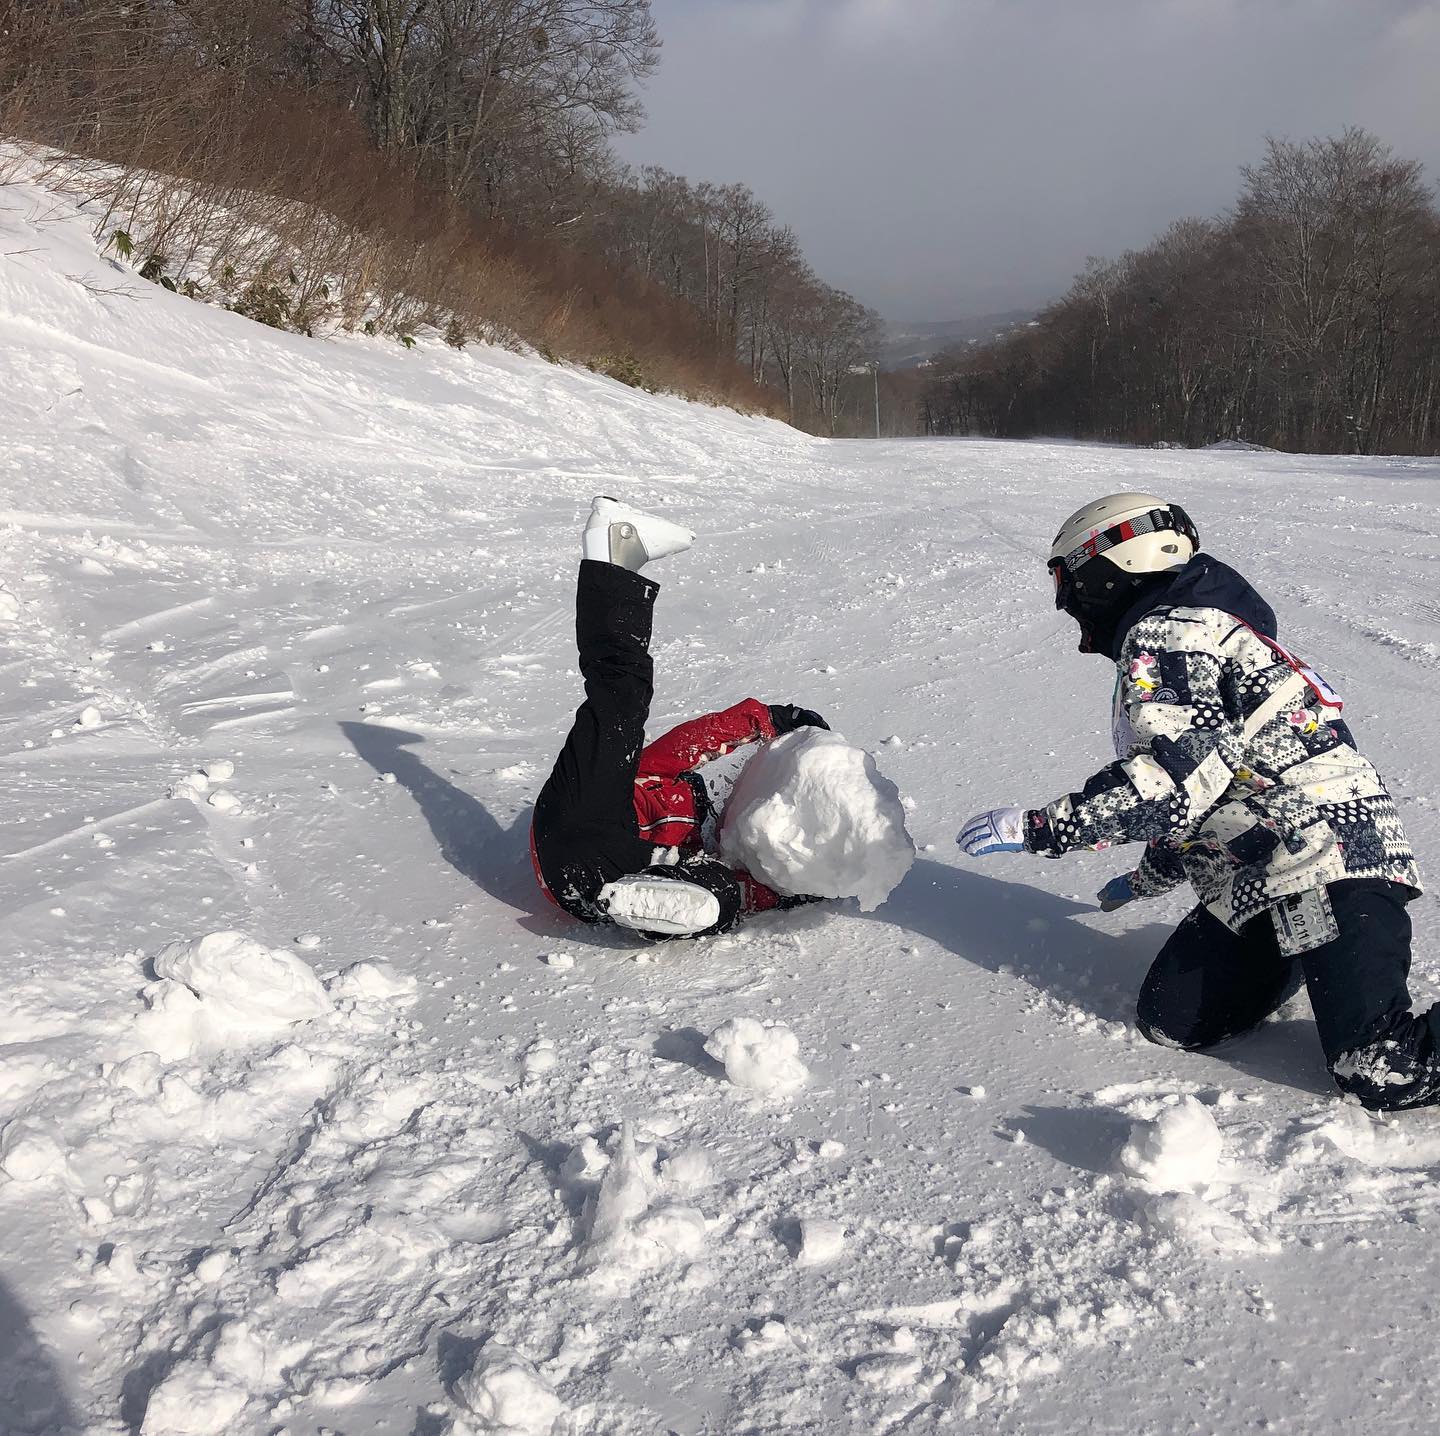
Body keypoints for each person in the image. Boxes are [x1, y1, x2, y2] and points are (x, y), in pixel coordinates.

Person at [957, 492, 1431, 1110]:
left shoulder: (1172, 632)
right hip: (1258, 878)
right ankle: (1305, 951)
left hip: (1327, 856)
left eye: (1065, 581)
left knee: (1380, 1067)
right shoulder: (1187, 632)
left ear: (1108, 566)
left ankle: (1330, 958)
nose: (1067, 604)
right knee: (1172, 1020)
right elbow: (1209, 787)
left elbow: (1179, 779)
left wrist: (1043, 828)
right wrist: (1151, 873)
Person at [530, 496, 827, 940]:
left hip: (596, 881)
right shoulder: (667, 786)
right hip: (585, 813)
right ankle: (615, 550)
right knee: (620, 701)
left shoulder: (709, 852)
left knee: (723, 893)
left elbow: (750, 892)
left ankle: (651, 902)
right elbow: (691, 743)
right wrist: (767, 719)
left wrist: (794, 888)